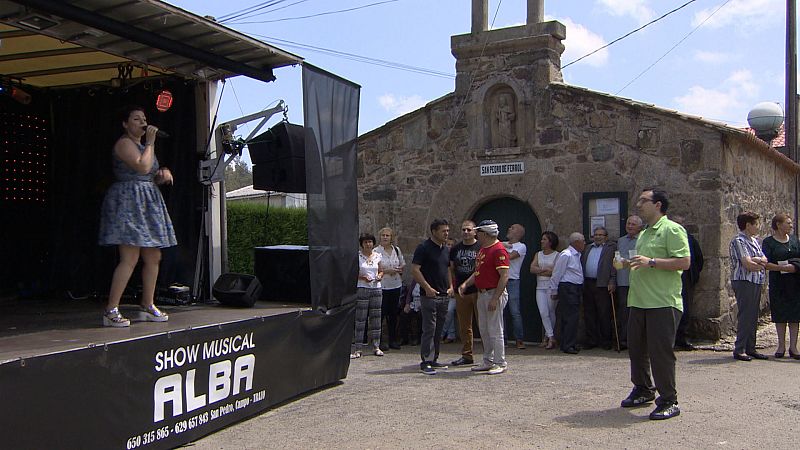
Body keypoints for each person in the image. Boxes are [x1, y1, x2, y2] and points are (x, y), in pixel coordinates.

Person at [98, 105, 176, 327]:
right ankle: (111, 309)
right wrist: (151, 142)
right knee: (130, 258)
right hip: (129, 201)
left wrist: (162, 175)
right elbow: (142, 167)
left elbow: (149, 173)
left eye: (144, 118)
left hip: (148, 201)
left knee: (153, 257)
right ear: (125, 124)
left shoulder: (144, 145)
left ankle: (147, 304)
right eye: (136, 119)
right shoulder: (124, 143)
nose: (142, 122)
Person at [620, 188, 689, 421]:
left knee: (661, 353)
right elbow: (645, 263)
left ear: (658, 204)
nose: (639, 204)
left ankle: (669, 400)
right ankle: (643, 389)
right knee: (636, 349)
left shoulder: (672, 229)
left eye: (643, 200)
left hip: (662, 301)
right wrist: (629, 263)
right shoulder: (645, 232)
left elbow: (684, 262)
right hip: (639, 301)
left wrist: (651, 261)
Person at [458, 220, 510, 375]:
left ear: (486, 234)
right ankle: (488, 360)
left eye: (479, 232)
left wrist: (495, 298)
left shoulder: (498, 250)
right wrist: (466, 284)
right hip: (482, 293)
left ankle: (500, 361)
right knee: (484, 329)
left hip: (492, 293)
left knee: (495, 329)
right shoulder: (483, 249)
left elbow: (504, 276)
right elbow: (478, 271)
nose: (477, 235)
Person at [411, 219, 453, 375]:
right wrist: (427, 288)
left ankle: (434, 358)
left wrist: (451, 287)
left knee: (439, 328)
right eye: (443, 231)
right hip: (429, 295)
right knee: (429, 327)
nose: (446, 233)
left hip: (444, 294)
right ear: (434, 231)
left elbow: (447, 269)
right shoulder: (423, 248)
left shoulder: (445, 249)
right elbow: (415, 269)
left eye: (448, 230)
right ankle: (426, 361)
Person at [729, 212, 768, 361]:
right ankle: (740, 349)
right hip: (744, 280)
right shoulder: (739, 241)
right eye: (756, 224)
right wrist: (758, 263)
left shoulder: (754, 240)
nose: (758, 227)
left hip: (756, 280)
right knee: (745, 314)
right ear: (748, 225)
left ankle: (751, 347)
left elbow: (764, 258)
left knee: (753, 315)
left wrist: (758, 261)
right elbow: (747, 264)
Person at [762, 213, 800, 359]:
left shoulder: (795, 241)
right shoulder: (769, 242)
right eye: (788, 223)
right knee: (780, 314)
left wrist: (794, 267)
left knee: (795, 315)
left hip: (795, 282)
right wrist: (783, 268)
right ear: (778, 224)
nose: (791, 225)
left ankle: (794, 348)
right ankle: (781, 346)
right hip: (778, 282)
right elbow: (765, 263)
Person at [449, 220, 481, 365]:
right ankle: (467, 355)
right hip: (460, 292)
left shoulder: (480, 247)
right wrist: (452, 285)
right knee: (464, 326)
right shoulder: (455, 249)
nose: (466, 232)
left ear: (475, 231)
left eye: (469, 230)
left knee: (483, 324)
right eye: (463, 230)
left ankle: (489, 355)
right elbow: (451, 269)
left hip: (478, 290)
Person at [671, 215, 704, 350]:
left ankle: (682, 338)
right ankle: (670, 340)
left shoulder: (689, 239)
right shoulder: (666, 239)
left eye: (680, 224)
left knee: (685, 309)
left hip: (685, 278)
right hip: (669, 277)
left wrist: (693, 276)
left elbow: (698, 259)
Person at [581, 226, 616, 350]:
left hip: (603, 284)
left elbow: (614, 266)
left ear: (606, 237)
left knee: (604, 314)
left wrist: (612, 281)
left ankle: (605, 341)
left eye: (601, 235)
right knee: (589, 313)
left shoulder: (610, 248)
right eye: (596, 235)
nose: (598, 237)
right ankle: (591, 340)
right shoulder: (588, 248)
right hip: (588, 283)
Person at [549, 232, 585, 354]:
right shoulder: (566, 255)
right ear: (576, 243)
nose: (584, 244)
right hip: (568, 288)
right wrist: (554, 289)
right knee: (570, 317)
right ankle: (568, 345)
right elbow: (557, 273)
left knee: (572, 317)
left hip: (575, 288)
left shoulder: (577, 255)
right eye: (583, 241)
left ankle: (570, 343)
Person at [352, 233, 384, 359]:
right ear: (362, 244)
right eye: (365, 242)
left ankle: (376, 346)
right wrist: (363, 277)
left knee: (376, 317)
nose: (368, 244)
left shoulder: (377, 256)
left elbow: (381, 270)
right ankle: (358, 348)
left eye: (370, 242)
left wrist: (380, 276)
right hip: (362, 288)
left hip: (376, 288)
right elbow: (352, 272)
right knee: (361, 318)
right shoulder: (358, 257)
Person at [615, 216, 643, 350]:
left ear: (639, 227)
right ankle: (624, 340)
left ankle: (637, 341)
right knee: (623, 312)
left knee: (637, 312)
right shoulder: (620, 241)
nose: (630, 226)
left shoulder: (642, 240)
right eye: (628, 223)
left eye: (633, 224)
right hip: (623, 281)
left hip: (638, 281)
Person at [376, 227, 405, 351]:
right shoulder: (376, 251)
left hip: (395, 285)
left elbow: (402, 263)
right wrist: (388, 271)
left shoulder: (396, 250)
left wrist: (399, 269)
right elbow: (374, 269)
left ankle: (393, 339)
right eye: (383, 235)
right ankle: (380, 341)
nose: (385, 237)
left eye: (387, 235)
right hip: (382, 286)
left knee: (393, 314)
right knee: (381, 313)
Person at [530, 231, 559, 349]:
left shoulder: (557, 255)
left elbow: (555, 272)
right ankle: (552, 337)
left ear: (550, 242)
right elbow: (532, 269)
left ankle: (547, 338)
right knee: (543, 312)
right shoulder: (538, 254)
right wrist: (544, 269)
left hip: (551, 287)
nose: (542, 241)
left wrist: (540, 270)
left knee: (551, 312)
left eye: (544, 239)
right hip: (540, 286)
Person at [503, 224, 527, 349]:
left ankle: (519, 339)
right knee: (501, 311)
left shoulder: (521, 247)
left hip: (512, 281)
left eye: (512, 228)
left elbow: (509, 257)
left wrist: (499, 247)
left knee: (514, 311)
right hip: (501, 280)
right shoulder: (503, 244)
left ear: (518, 233)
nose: (509, 229)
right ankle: (503, 339)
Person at [442, 238, 458, 344]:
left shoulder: (455, 259)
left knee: (449, 310)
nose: (449, 247)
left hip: (455, 288)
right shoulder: (441, 257)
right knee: (448, 312)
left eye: (451, 245)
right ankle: (451, 334)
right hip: (443, 288)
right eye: (448, 244)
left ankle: (441, 334)